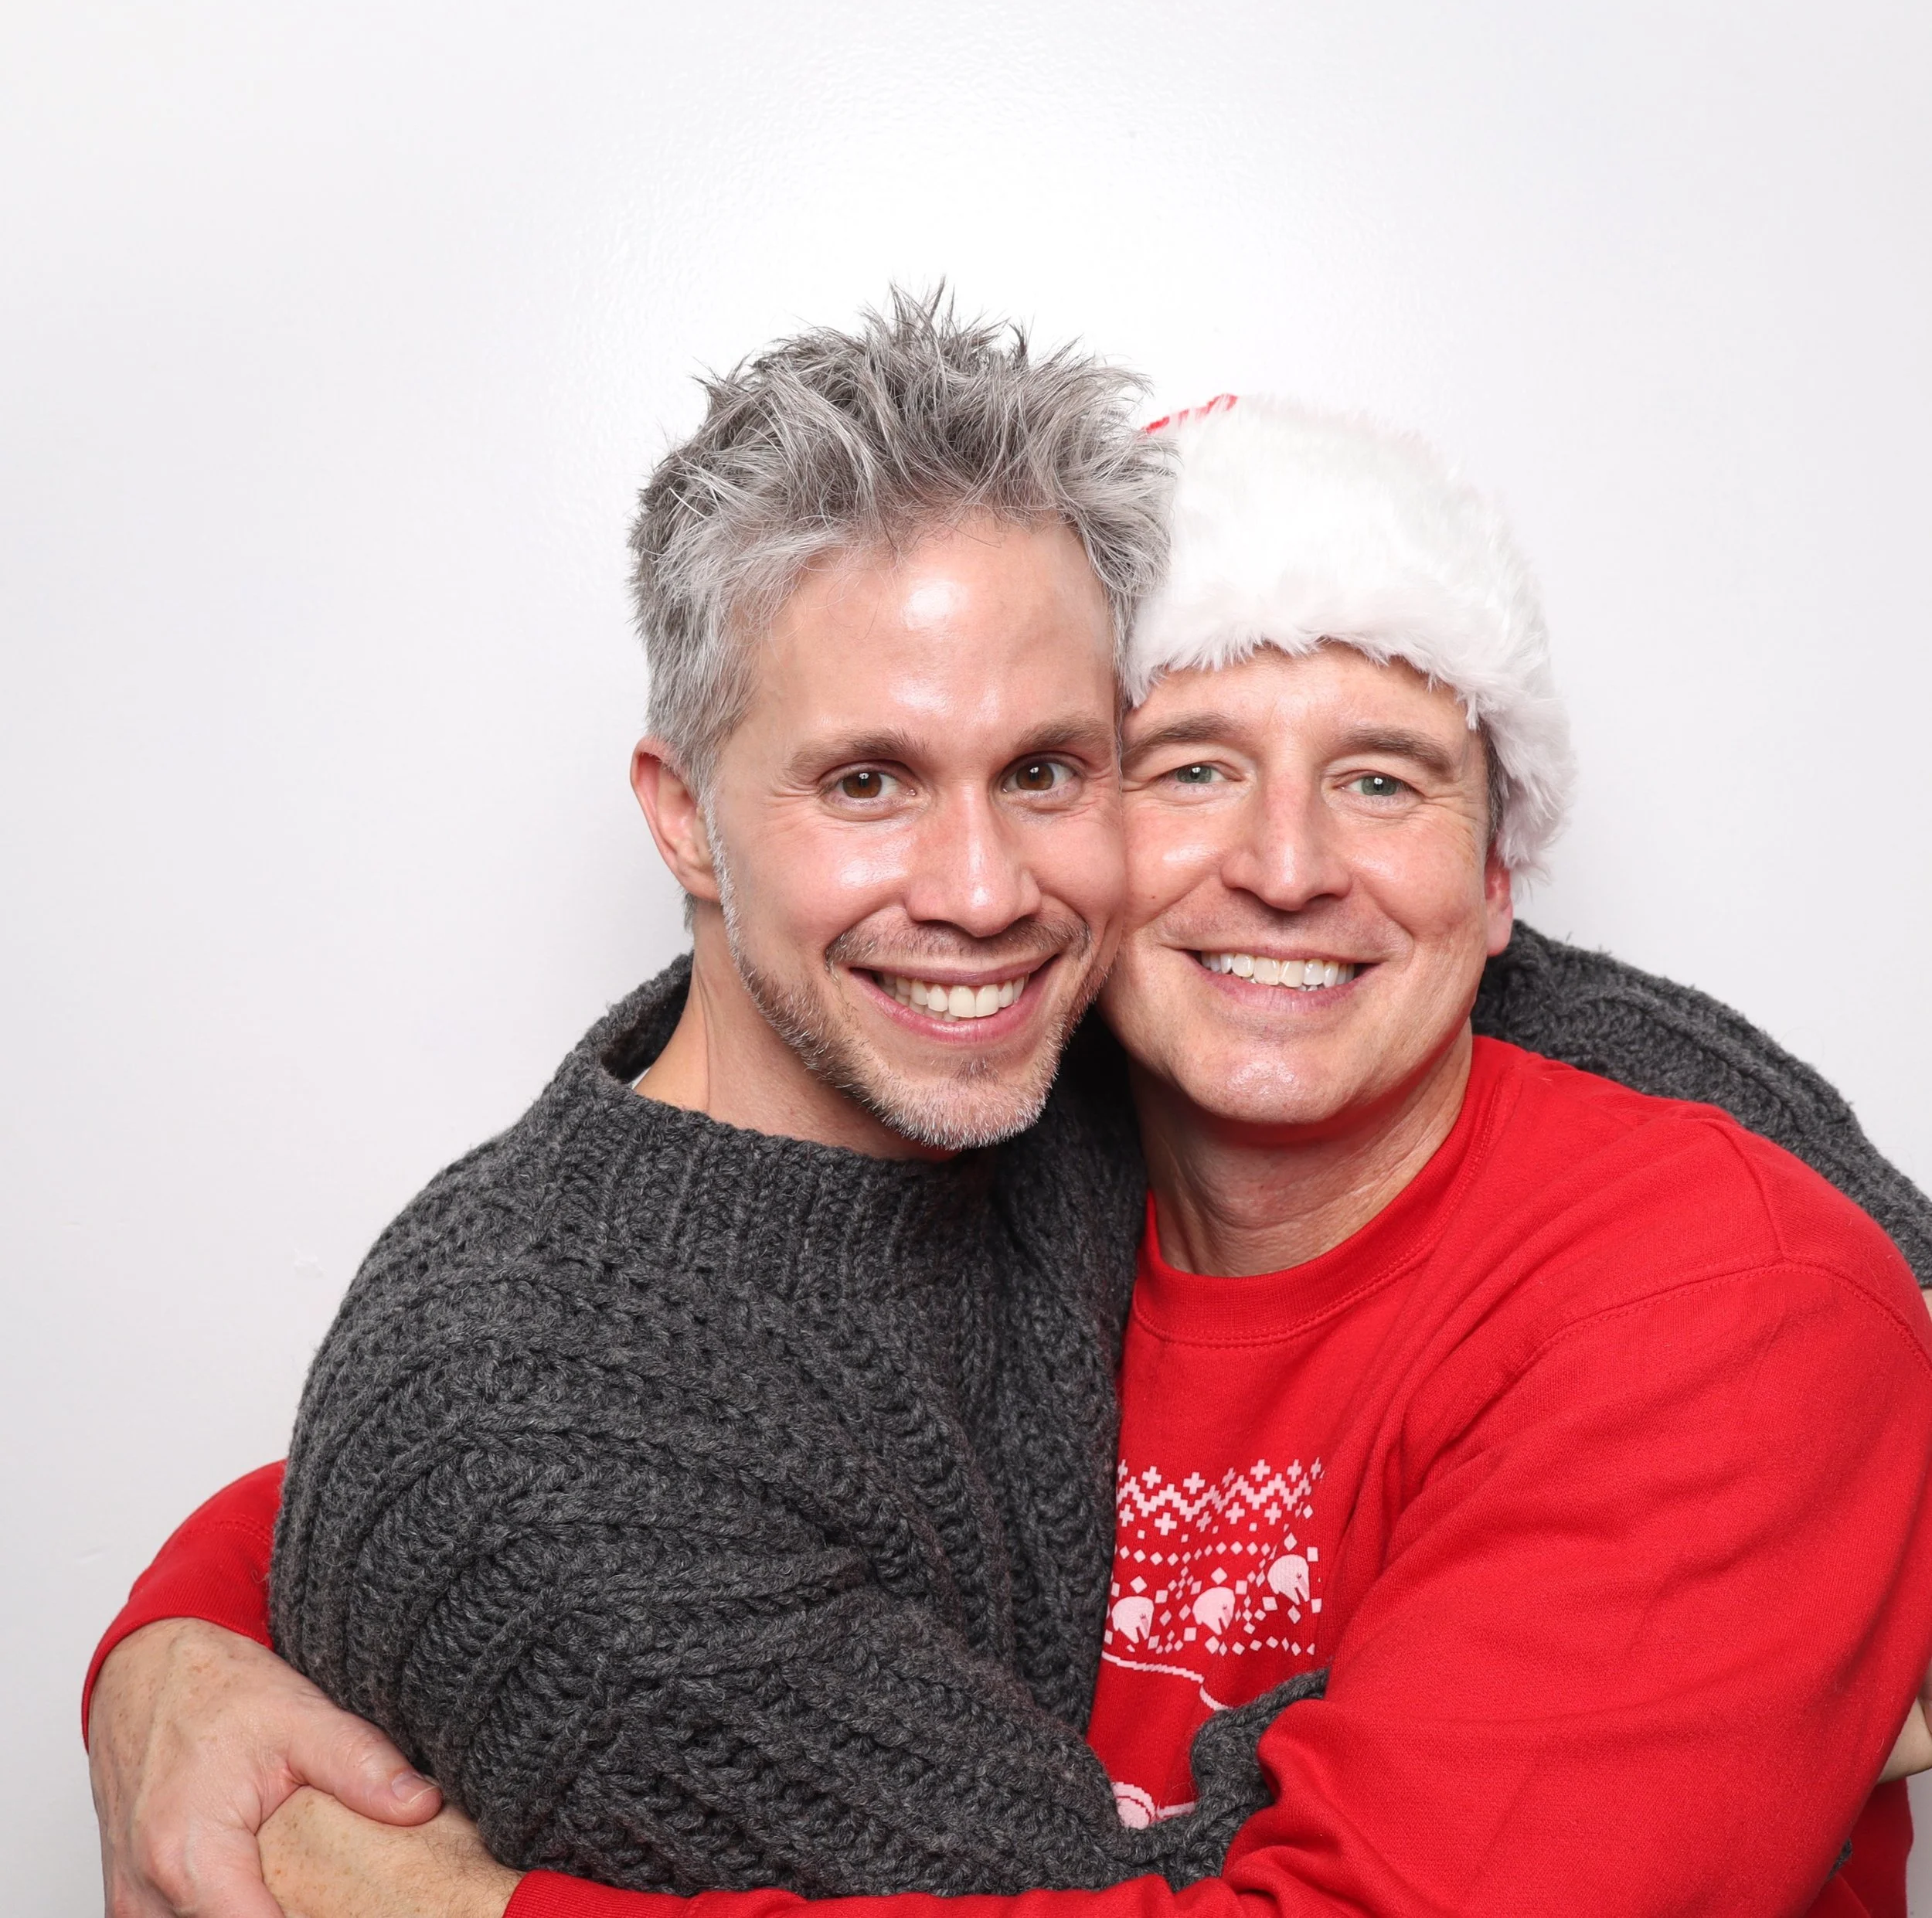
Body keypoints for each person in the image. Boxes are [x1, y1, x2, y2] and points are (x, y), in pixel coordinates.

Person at [85, 340, 1932, 1918]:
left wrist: (464, 1909)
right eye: (1186, 767)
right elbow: (556, 1436)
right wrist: (171, 1647)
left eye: (1384, 783)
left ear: (1494, 873)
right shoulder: (1024, 1125)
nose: (1283, 873)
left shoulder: (1716, 1294)